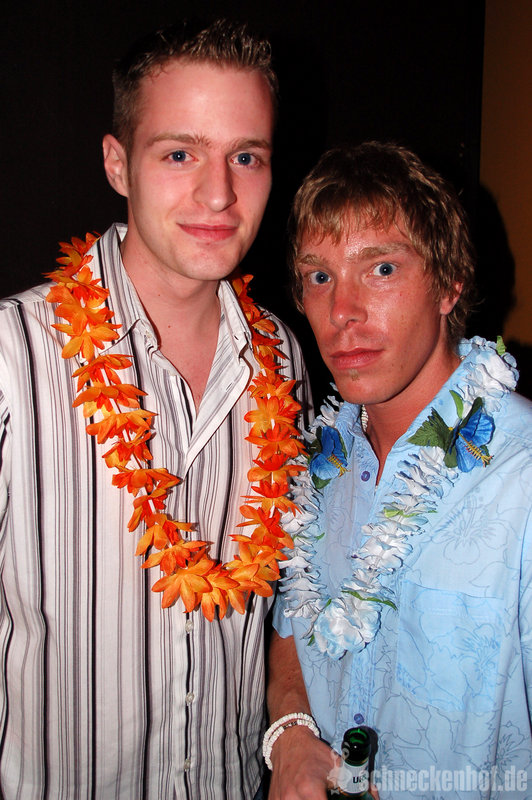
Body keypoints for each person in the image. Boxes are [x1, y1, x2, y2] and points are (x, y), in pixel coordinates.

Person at [0, 19, 312, 800]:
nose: (219, 193)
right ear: (118, 164)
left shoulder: (285, 360)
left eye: (246, 156)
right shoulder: (12, 357)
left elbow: (291, 601)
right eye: (180, 154)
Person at [266, 142, 532, 799]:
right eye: (319, 277)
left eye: (381, 268)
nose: (343, 310)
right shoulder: (314, 470)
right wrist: (292, 733)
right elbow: (292, 631)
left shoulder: (521, 478)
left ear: (449, 284)